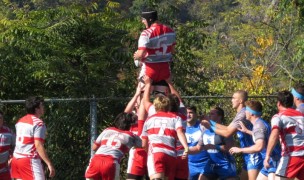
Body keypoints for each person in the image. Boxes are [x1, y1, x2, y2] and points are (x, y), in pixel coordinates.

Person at [201, 90, 263, 180]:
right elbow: (227, 128)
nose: (231, 100)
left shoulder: (242, 114)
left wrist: (210, 126)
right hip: (248, 155)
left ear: (240, 101)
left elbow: (227, 133)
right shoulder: (240, 113)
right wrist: (210, 122)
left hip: (253, 154)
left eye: (234, 98)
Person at [141, 93, 189, 179]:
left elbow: (144, 144)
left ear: (155, 106)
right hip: (171, 154)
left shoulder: (149, 119)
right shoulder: (176, 118)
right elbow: (180, 133)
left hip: (156, 152)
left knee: (157, 178)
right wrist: (186, 147)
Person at [229, 100, 281, 180]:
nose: (245, 112)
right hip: (269, 161)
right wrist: (247, 131)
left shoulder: (258, 126)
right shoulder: (259, 123)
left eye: (246, 110)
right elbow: (262, 136)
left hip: (273, 161)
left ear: (252, 114)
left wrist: (240, 149)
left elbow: (259, 147)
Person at [85, 112, 142, 180]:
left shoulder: (108, 130)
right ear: (130, 125)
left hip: (96, 160)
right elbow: (142, 145)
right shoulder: (132, 136)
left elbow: (94, 147)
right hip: (111, 162)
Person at [11, 96, 55, 180]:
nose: (43, 107)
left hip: (16, 159)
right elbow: (38, 145)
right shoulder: (38, 123)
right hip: (29, 160)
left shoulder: (20, 121)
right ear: (36, 109)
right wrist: (49, 163)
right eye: (42, 105)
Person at [264, 90, 304, 179]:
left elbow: (274, 134)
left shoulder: (278, 117)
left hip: (293, 155)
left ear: (278, 103)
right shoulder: (301, 115)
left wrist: (267, 155)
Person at [133, 10, 176, 83]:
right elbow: (173, 51)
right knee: (166, 92)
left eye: (143, 19)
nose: (142, 21)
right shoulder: (171, 31)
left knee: (141, 92)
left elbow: (140, 54)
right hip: (165, 69)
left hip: (150, 69)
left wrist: (135, 56)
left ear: (149, 19)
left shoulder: (146, 33)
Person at [124, 84, 149, 180]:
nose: (141, 99)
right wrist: (137, 94)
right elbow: (125, 113)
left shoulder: (150, 113)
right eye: (140, 97)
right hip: (137, 156)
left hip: (150, 154)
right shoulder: (133, 118)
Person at [186, 106, 214, 180]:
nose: (188, 115)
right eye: (186, 113)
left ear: (195, 114)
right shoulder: (181, 128)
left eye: (191, 112)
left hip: (205, 163)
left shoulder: (202, 125)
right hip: (190, 165)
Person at [0, 110, 15, 180]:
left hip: (4, 170)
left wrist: (12, 157)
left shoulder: (9, 132)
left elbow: (17, 146)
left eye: (0, 118)